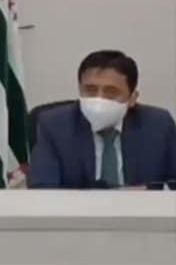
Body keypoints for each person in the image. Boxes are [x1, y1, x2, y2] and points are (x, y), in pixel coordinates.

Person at [28, 50, 176, 189]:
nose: (99, 99)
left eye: (111, 92)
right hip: (78, 208)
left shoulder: (159, 125)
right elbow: (42, 188)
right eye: (90, 90)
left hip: (142, 208)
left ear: (132, 98)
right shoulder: (54, 125)